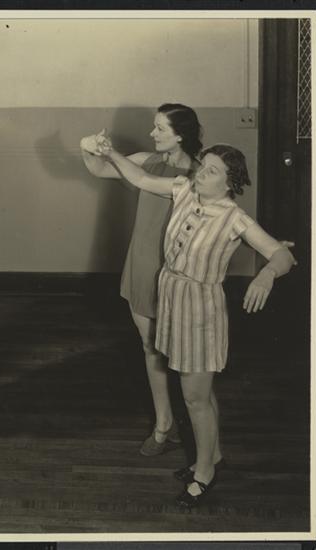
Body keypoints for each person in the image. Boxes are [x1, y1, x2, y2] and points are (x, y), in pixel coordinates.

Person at [94, 138, 296, 508]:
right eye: (203, 166)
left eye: (212, 171)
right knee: (200, 391)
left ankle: (204, 473)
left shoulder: (235, 218)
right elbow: (139, 178)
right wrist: (110, 153)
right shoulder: (183, 189)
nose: (201, 173)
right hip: (171, 295)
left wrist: (266, 276)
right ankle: (213, 455)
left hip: (201, 310)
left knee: (194, 397)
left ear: (230, 183)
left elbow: (281, 254)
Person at [80, 104, 202, 456]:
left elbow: (140, 181)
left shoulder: (197, 176)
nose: (152, 133)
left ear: (180, 135)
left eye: (160, 128)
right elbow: (97, 168)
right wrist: (88, 144)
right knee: (150, 346)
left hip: (179, 272)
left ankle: (199, 430)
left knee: (182, 354)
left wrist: (112, 152)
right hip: (143, 264)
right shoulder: (148, 160)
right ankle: (164, 423)